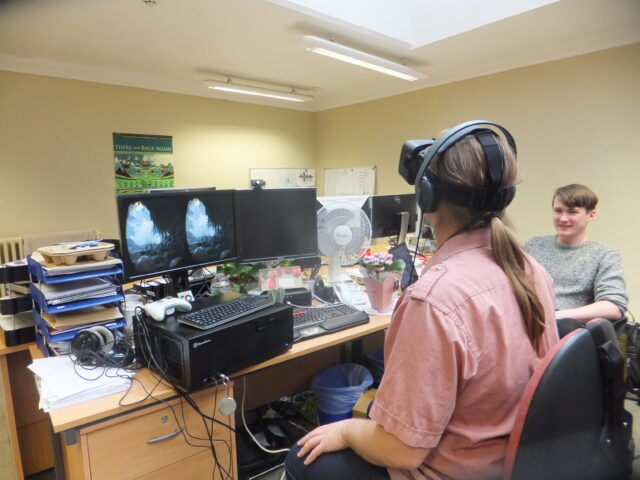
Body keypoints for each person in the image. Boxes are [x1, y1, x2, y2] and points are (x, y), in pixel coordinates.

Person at [284, 123, 559, 480]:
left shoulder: (434, 300)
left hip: (446, 470)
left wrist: (346, 430)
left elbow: (401, 449)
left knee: (301, 458)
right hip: (509, 460)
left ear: (426, 197)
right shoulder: (530, 269)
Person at [524, 184, 627, 327]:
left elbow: (613, 306)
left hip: (569, 331)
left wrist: (555, 316)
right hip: (528, 325)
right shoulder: (533, 245)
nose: (563, 219)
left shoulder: (605, 255)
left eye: (572, 212)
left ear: (591, 215)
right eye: (558, 211)